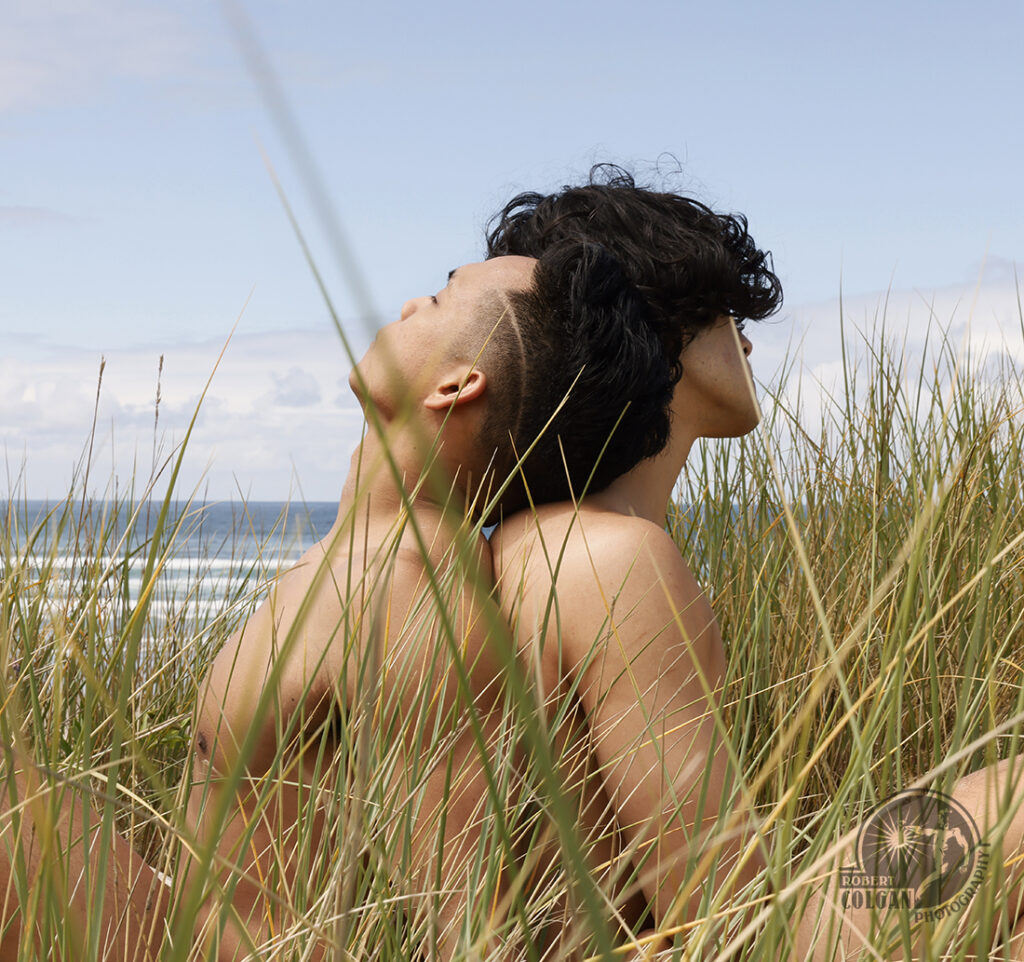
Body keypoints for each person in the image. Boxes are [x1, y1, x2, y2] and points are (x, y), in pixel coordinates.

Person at [0, 244, 679, 962]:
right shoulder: (368, 561)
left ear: (455, 385)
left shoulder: (410, 590)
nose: (411, 305)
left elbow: (470, 927)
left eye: (442, 298)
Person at [485, 166, 1024, 960]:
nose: (742, 334)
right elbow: (729, 922)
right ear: (643, 329)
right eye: (714, 308)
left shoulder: (525, 538)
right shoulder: (612, 558)